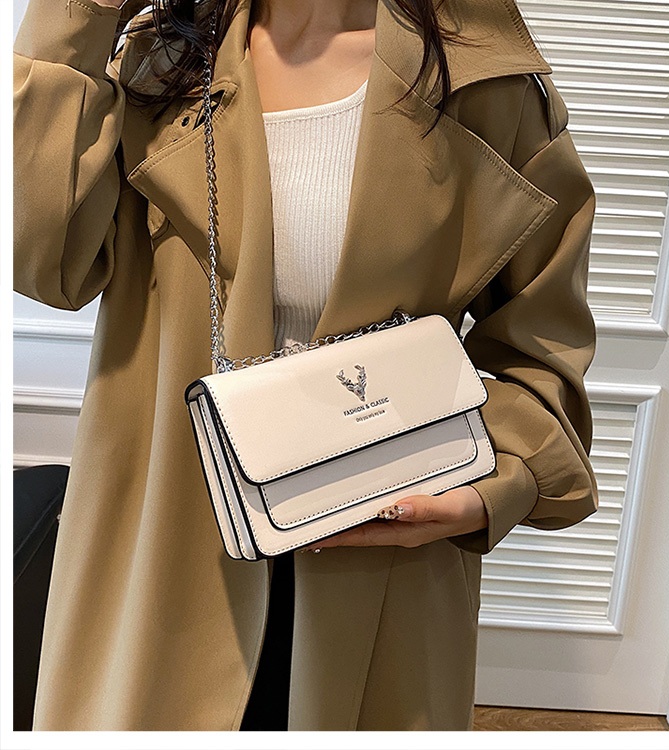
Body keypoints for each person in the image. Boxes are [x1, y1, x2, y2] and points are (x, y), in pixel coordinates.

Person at [13, 0, 600, 731]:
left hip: (385, 550)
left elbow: (542, 346)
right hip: (165, 542)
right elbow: (43, 262)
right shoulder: (158, 61)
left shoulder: (485, 85)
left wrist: (490, 487)